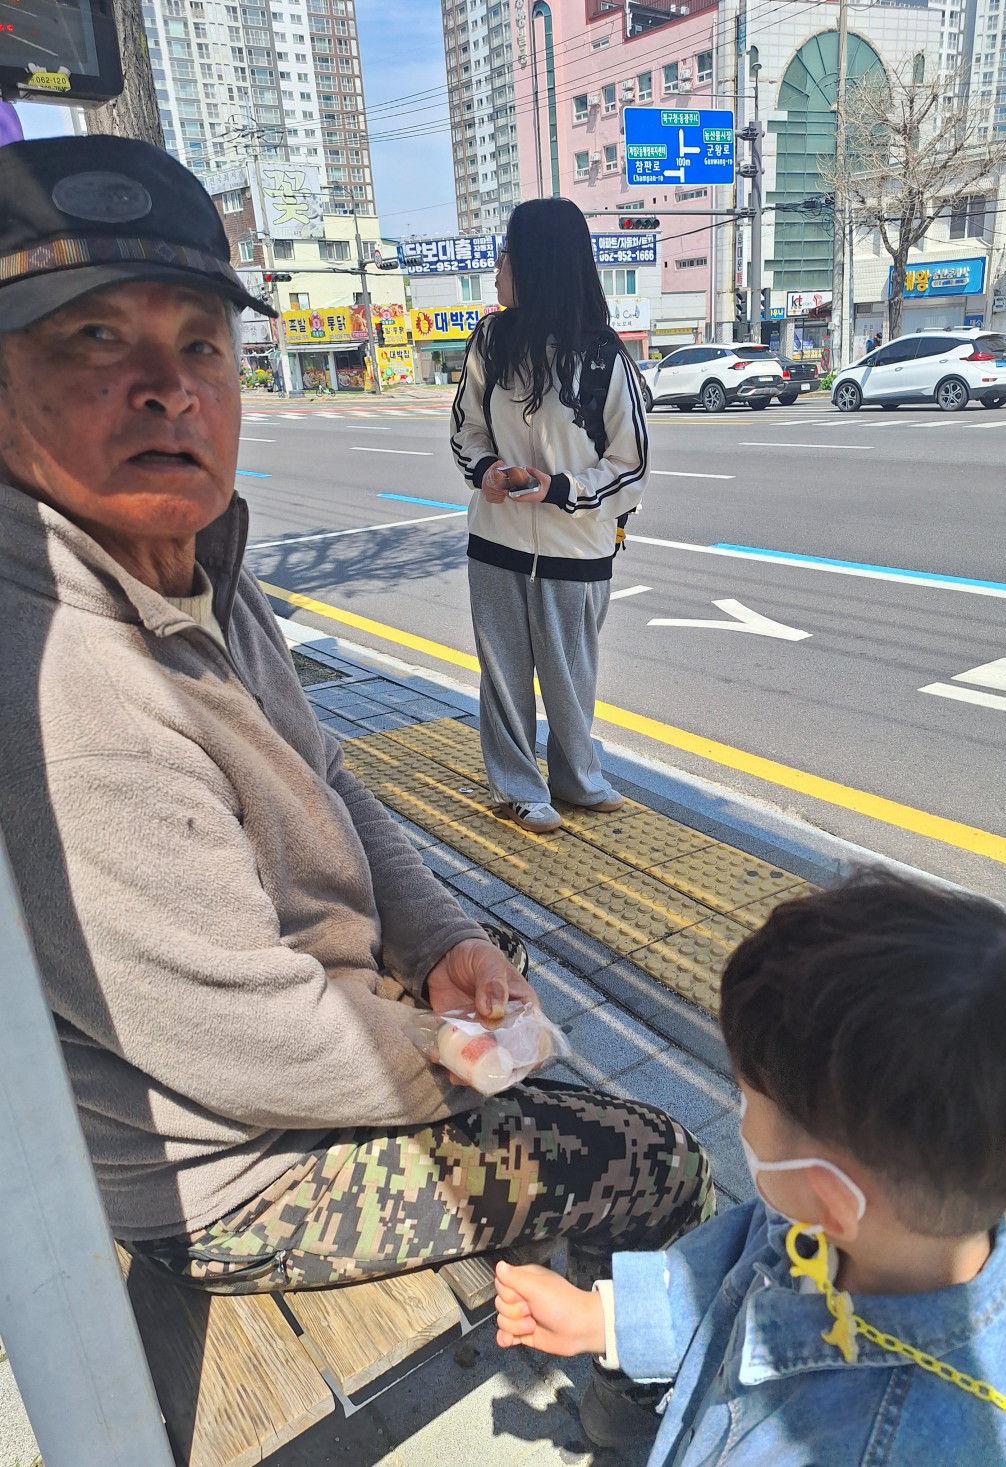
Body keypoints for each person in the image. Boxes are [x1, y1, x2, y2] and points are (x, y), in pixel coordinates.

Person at [0, 136, 712, 1439]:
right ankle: (648, 1414)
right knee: (660, 1158)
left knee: (504, 976)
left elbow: (326, 773)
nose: (168, 388)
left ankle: (546, 1238)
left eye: (201, 342)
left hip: (306, 1033)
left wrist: (439, 941)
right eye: (93, 337)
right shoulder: (57, 685)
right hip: (233, 1171)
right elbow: (256, 1042)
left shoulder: (187, 559)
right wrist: (480, 1057)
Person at [494, 873, 1006, 1462]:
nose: (739, 1114)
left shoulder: (925, 1444)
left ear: (830, 1197)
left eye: (744, 1097)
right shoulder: (852, 1219)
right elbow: (719, 1271)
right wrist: (603, 1318)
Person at [450, 198, 649, 835]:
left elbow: (631, 463)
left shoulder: (604, 356)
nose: (497, 268)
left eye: (506, 255)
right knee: (503, 676)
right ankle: (517, 786)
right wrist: (488, 471)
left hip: (577, 549)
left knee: (570, 678)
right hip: (497, 543)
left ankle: (575, 779)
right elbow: (466, 429)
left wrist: (560, 489)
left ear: (538, 263)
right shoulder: (490, 342)